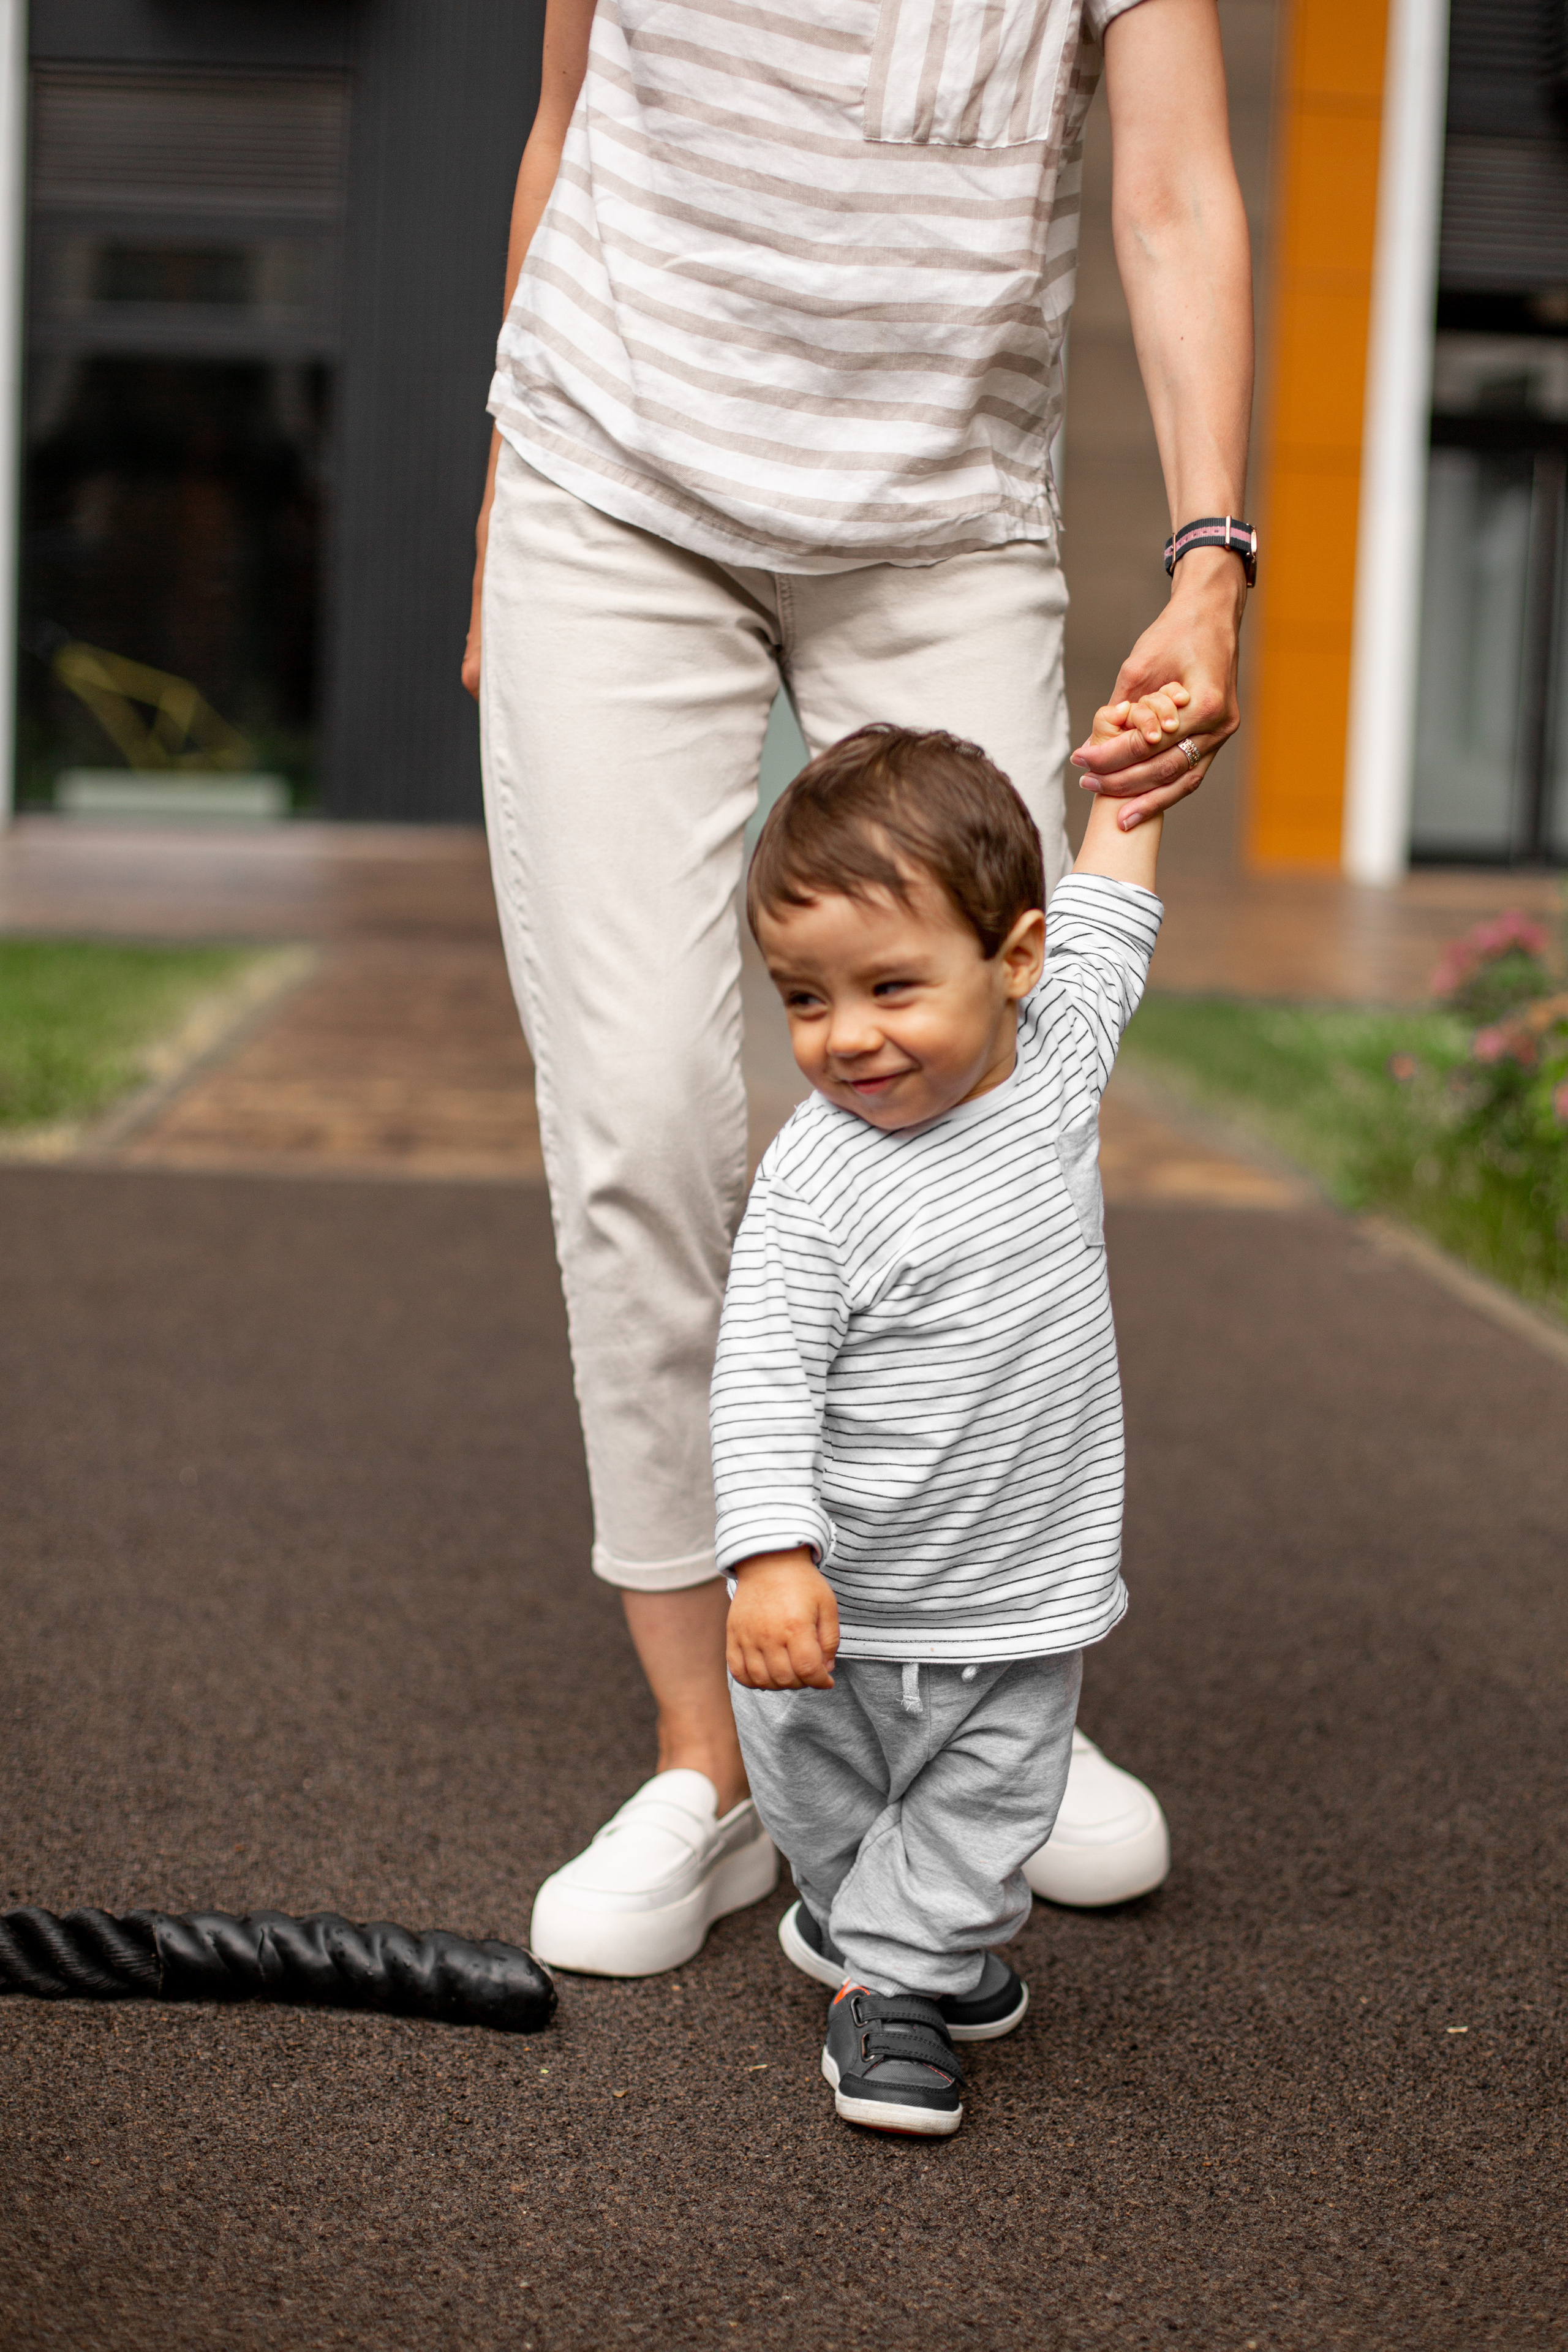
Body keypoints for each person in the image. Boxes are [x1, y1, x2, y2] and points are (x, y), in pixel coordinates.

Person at [463, 0, 1253, 1975]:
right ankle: (716, 1760)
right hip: (614, 474)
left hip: (938, 514)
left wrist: (1210, 559)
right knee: (643, 1118)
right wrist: (502, 497)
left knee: (998, 1098)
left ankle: (979, 1684)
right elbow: (567, 119)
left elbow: (1168, 192)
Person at [715, 712, 1171, 2135]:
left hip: (1014, 1593)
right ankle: (884, 1939)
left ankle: (886, 1980)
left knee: (989, 1810)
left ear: (1010, 965)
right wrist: (770, 1557)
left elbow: (1108, 914)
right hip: (836, 1607)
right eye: (802, 999)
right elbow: (760, 1375)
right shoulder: (814, 1184)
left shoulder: (1055, 1068)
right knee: (828, 1811)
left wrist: (1135, 777)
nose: (846, 1038)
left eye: (890, 988)